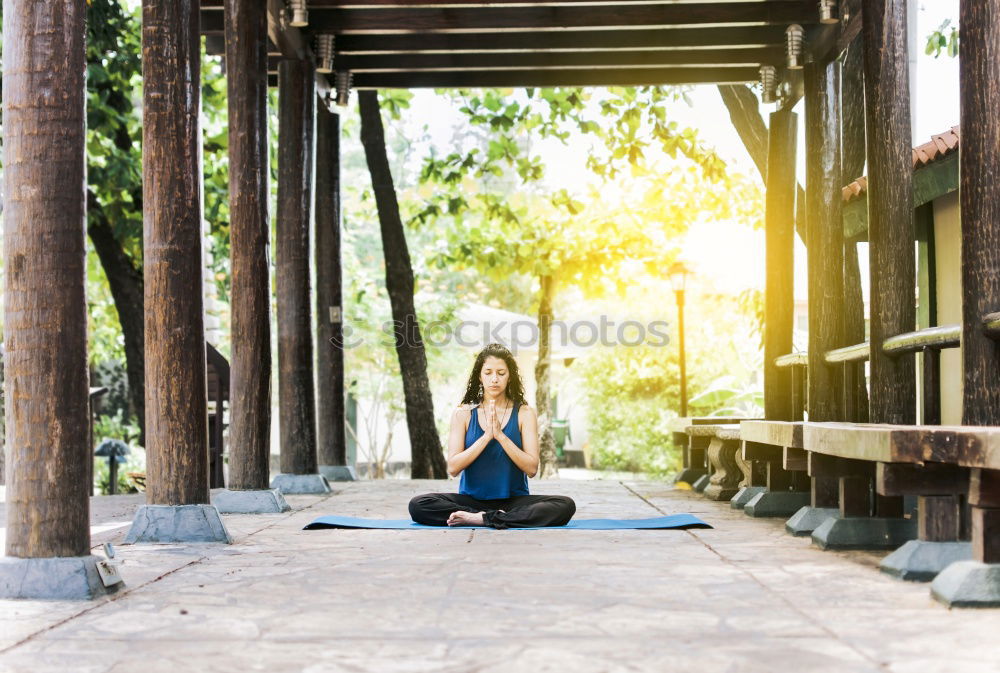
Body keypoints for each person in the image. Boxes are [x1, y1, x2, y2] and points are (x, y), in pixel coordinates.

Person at [408, 343, 576, 529]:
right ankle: (491, 517)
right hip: (470, 502)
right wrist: (486, 437)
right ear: (479, 376)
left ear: (509, 376)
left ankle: (482, 519)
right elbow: (453, 468)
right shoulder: (463, 413)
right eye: (488, 372)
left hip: (513, 502)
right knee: (418, 505)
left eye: (501, 373)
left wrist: (501, 436)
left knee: (565, 505)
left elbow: (532, 468)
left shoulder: (524, 413)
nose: (494, 379)